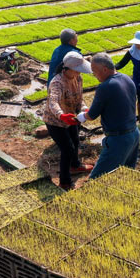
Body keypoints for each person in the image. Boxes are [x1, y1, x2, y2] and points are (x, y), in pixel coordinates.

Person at [75, 53, 139, 180]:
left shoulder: (105, 87)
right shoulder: (126, 78)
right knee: (126, 174)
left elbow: (92, 115)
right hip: (134, 134)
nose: (94, 75)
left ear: (104, 69)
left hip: (118, 139)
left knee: (97, 179)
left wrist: (82, 116)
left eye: (95, 71)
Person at [45, 51, 93, 190]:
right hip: (56, 121)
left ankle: (75, 165)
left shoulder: (78, 79)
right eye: (77, 70)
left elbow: (79, 99)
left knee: (76, 141)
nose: (79, 72)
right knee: (67, 149)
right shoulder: (57, 82)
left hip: (71, 117)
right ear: (67, 69)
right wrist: (61, 115)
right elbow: (53, 102)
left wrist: (84, 109)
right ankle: (64, 181)